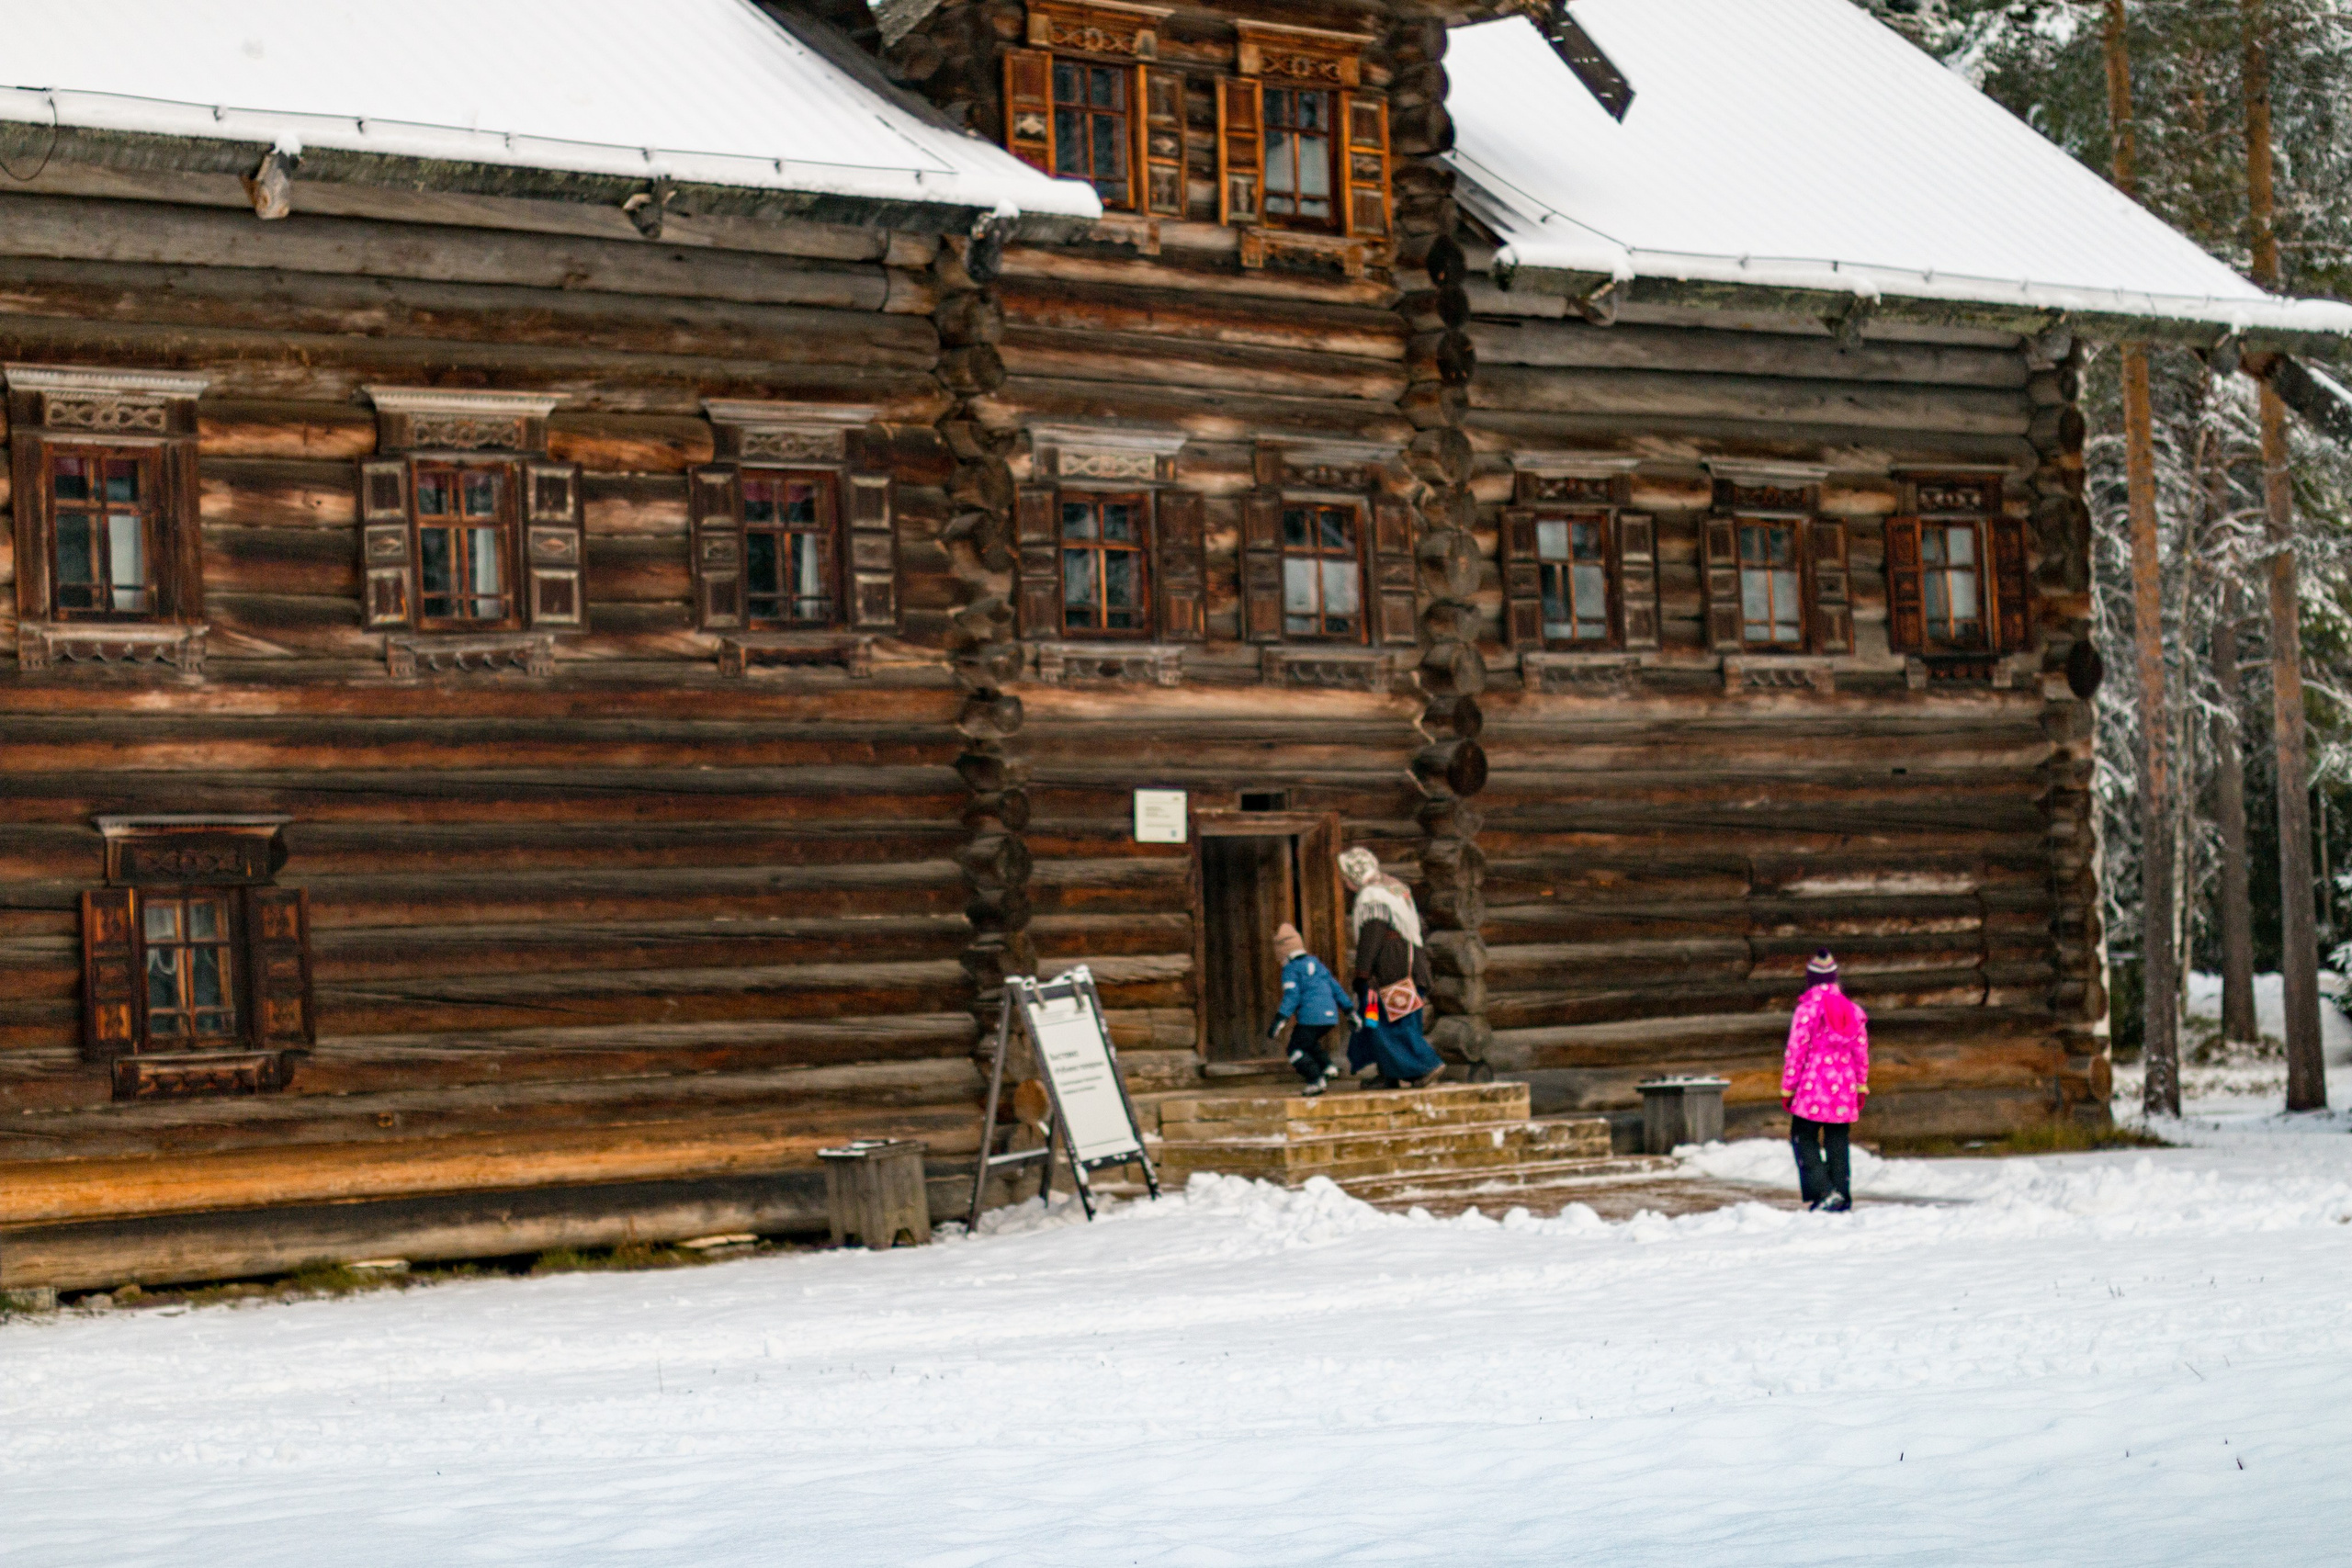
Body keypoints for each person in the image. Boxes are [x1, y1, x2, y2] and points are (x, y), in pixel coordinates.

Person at [1336, 846, 1444, 1089]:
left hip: (1390, 969)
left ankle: (1426, 1066)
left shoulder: (1371, 895)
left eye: (1345, 876)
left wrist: (1363, 973)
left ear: (1354, 873)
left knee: (1388, 1023)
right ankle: (1388, 1073)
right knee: (1386, 1020)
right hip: (1409, 963)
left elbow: (1373, 935)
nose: (1344, 882)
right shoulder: (1395, 887)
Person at [1782, 948, 1870, 1211]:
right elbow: (1860, 1052)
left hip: (1813, 1085)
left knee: (1802, 1135)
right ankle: (1841, 1195)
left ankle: (1823, 1191)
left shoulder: (1807, 1010)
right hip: (1844, 1086)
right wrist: (1861, 1085)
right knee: (1837, 1139)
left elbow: (1796, 1051)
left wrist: (1788, 1089)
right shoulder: (1853, 1011)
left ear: (1810, 980)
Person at [1265, 921, 1351, 1095]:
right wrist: (1350, 1011)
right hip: (1330, 1017)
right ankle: (1327, 1067)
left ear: (1282, 951)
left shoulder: (1291, 969)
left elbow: (1292, 996)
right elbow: (1336, 988)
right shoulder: (1318, 965)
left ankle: (1315, 1079)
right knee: (1308, 1041)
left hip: (1311, 1016)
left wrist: (1280, 1019)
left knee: (1295, 1049)